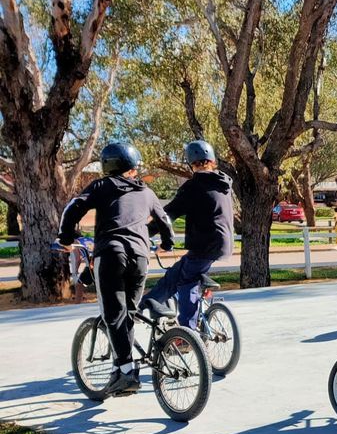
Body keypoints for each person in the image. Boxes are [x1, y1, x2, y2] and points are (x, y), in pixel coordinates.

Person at [57, 142, 175, 395]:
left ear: (107, 165)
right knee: (128, 313)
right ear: (133, 167)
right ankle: (125, 370)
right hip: (140, 256)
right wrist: (167, 243)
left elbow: (73, 208)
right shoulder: (146, 191)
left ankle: (124, 371)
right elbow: (165, 220)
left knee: (113, 313)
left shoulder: (102, 186)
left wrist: (65, 239)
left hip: (111, 254)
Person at [141, 140, 234, 329]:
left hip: (204, 245)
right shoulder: (223, 182)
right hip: (223, 243)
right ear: (213, 161)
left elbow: (168, 214)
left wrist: (144, 233)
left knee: (186, 281)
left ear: (191, 163)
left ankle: (187, 333)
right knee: (174, 274)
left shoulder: (194, 186)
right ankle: (144, 306)